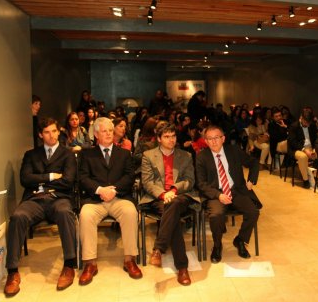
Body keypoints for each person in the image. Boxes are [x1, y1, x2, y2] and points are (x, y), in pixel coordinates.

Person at [4, 118, 77, 296]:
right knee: (17, 216)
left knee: (65, 212)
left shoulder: (67, 154)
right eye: (46, 132)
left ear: (58, 131)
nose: (51, 135)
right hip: (34, 199)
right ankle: (12, 271)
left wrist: (40, 180)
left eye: (54, 131)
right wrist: (51, 176)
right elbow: (25, 179)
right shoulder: (31, 155)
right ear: (40, 134)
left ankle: (69, 265)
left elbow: (68, 181)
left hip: (59, 198)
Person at [78, 117, 141, 285]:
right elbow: (83, 178)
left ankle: (130, 259)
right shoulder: (87, 154)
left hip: (119, 197)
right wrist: (100, 190)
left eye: (110, 131)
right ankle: (90, 263)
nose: (108, 134)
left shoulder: (124, 154)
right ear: (97, 134)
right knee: (85, 215)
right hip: (95, 199)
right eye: (104, 131)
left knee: (130, 212)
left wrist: (114, 190)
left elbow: (130, 176)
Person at [141, 123, 200, 286]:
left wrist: (173, 190)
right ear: (159, 139)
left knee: (173, 205)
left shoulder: (186, 156)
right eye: (166, 136)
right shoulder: (148, 155)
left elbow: (190, 180)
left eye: (173, 136)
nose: (171, 139)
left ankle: (158, 248)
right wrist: (162, 194)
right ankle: (182, 268)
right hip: (158, 198)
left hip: (181, 196)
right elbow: (147, 182)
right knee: (172, 216)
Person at [196, 125, 260, 263]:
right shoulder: (202, 157)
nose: (214, 141)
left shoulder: (234, 151)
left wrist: (251, 180)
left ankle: (240, 240)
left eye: (217, 138)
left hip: (236, 190)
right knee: (216, 215)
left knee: (253, 211)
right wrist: (218, 195)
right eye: (210, 139)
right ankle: (217, 246)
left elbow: (254, 162)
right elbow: (201, 184)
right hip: (215, 193)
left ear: (223, 138)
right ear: (206, 141)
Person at [287, 107, 318, 189]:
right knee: (303, 157)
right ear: (301, 117)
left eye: (308, 122)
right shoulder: (294, 126)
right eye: (305, 122)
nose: (307, 124)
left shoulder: (312, 126)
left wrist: (314, 149)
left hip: (310, 147)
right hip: (297, 148)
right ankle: (305, 180)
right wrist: (304, 150)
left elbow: (315, 139)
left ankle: (317, 178)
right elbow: (293, 142)